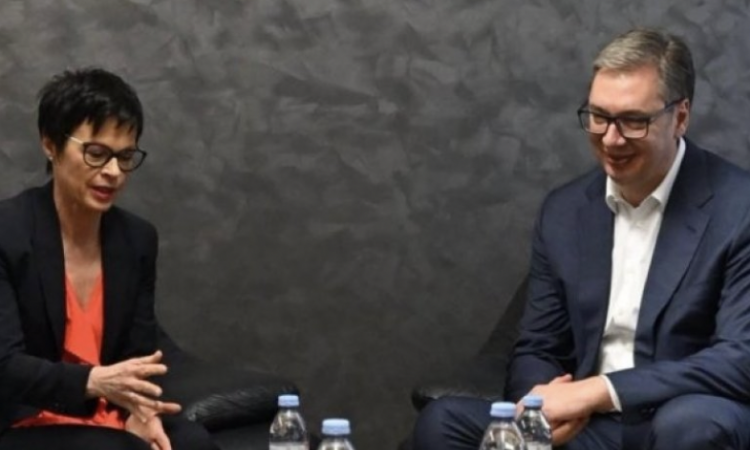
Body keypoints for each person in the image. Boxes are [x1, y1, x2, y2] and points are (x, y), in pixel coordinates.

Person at [412, 28, 750, 450]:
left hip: (680, 418)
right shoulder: (565, 211)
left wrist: (599, 391)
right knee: (444, 422)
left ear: (680, 117)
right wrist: (540, 410)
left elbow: (741, 357)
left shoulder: (739, 208)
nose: (610, 139)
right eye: (598, 116)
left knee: (692, 424)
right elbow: (538, 346)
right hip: (588, 426)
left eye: (633, 121)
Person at [0, 68, 217, 450]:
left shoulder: (137, 239)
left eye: (125, 156)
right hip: (23, 418)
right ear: (50, 144)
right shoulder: (8, 232)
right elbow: (5, 365)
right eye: (96, 154)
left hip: (106, 413)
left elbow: (139, 353)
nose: (113, 172)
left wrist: (141, 413)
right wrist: (93, 382)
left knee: (192, 443)